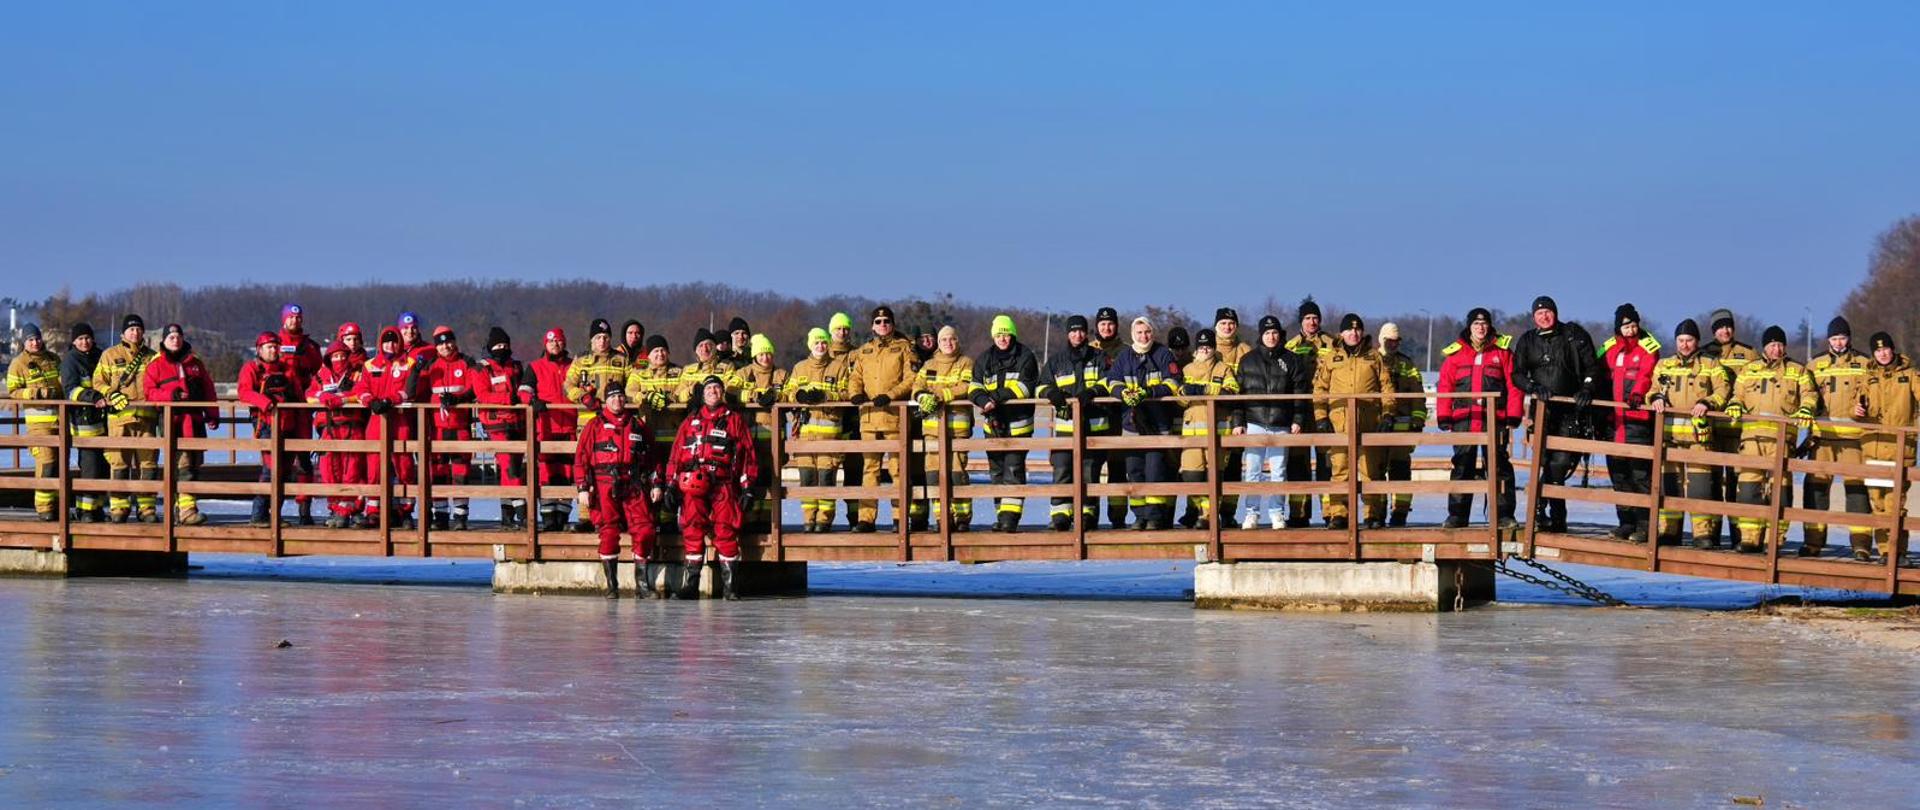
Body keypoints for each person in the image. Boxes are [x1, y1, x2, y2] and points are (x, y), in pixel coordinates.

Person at [1511, 295, 1601, 533]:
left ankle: (1546, 511)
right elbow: (1516, 374)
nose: (1544, 316)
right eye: (1539, 313)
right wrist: (1532, 387)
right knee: (1545, 463)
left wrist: (1587, 388)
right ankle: (1551, 516)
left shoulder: (1573, 335)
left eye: (1548, 312)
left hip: (1571, 412)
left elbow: (1593, 366)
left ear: (1556, 313)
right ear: (1534, 317)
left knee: (1559, 463)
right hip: (1543, 412)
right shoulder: (1527, 340)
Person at [665, 375, 758, 600]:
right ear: (703, 393)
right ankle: (692, 585)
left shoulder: (734, 420)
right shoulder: (691, 421)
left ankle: (730, 587)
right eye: (709, 388)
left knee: (726, 529)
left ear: (722, 392)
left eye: (717, 388)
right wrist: (670, 485)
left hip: (723, 484)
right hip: (693, 485)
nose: (713, 391)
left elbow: (747, 455)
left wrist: (747, 487)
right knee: (692, 528)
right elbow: (676, 455)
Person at [1725, 326, 1814, 553]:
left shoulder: (1797, 371)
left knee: (1780, 491)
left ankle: (1774, 540)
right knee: (1748, 489)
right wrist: (1735, 404)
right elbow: (1737, 394)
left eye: (1780, 344)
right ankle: (1749, 538)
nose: (1777, 349)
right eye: (1772, 344)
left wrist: (1806, 408)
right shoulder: (1749, 370)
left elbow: (1809, 394)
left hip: (1782, 441)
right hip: (1752, 440)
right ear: (1764, 347)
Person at [1435, 308, 1524, 530]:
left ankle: (1504, 515)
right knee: (1462, 466)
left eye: (1484, 324)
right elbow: (1445, 386)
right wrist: (1444, 414)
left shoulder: (1502, 353)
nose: (1480, 328)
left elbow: (1514, 386)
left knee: (1499, 466)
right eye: (1476, 324)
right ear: (1469, 327)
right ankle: (1457, 515)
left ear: (1490, 326)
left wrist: (1514, 414)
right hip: (1464, 419)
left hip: (1495, 419)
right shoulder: (1455, 355)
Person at [572, 386, 661, 599]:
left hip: (633, 484)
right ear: (606, 401)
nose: (617, 400)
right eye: (612, 397)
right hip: (604, 484)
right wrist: (583, 487)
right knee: (608, 532)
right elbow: (581, 458)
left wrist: (657, 483)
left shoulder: (637, 425)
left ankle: (642, 585)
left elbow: (654, 458)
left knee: (645, 530)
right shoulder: (594, 425)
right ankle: (612, 586)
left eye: (620, 396)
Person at [1647, 319, 1729, 547]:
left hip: (1698, 438)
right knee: (1669, 486)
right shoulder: (1664, 365)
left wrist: (1708, 402)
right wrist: (1655, 398)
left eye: (1689, 340)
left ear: (1697, 341)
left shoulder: (1711, 364)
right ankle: (1669, 531)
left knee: (1699, 487)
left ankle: (1702, 534)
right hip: (1669, 437)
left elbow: (1723, 391)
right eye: (1681, 340)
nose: (1684, 345)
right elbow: (1652, 389)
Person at [1313, 313, 1396, 531]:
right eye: (1349, 330)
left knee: (1371, 471)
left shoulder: (1373, 356)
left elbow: (1387, 387)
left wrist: (1388, 413)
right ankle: (1338, 515)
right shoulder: (1331, 357)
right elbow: (1320, 390)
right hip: (1339, 422)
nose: (1354, 333)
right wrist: (1321, 417)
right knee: (1340, 470)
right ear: (1341, 333)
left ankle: (1372, 515)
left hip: (1369, 422)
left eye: (1358, 329)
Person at [1802, 316, 1874, 558]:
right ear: (1828, 339)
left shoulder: (1865, 363)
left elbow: (1875, 397)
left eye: (1842, 338)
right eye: (1834, 338)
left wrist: (1867, 410)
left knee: (1857, 492)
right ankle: (1813, 543)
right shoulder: (1815, 365)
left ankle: (1861, 545)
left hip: (1855, 440)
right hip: (1822, 439)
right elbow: (1805, 395)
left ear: (1849, 338)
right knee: (1815, 492)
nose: (1839, 343)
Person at [846, 306, 918, 532]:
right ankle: (866, 518)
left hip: (894, 416)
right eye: (878, 321)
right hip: (868, 418)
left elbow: (912, 378)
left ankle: (899, 517)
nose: (882, 324)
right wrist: (855, 393)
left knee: (897, 469)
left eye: (886, 320)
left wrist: (891, 395)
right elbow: (855, 377)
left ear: (893, 324)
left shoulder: (904, 348)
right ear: (872, 325)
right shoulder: (864, 351)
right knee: (870, 469)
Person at [1106, 317, 1181, 530]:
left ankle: (1155, 516)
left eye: (1147, 332)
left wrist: (1149, 392)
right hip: (1131, 425)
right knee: (1134, 470)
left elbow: (1174, 382)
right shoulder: (1125, 356)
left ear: (1153, 333)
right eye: (1139, 333)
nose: (1144, 336)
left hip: (1157, 424)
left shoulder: (1163, 354)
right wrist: (1123, 393)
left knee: (1155, 470)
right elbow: (1111, 380)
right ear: (1133, 335)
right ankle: (1139, 516)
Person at [1236, 315, 1309, 530]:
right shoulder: (1248, 360)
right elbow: (1238, 394)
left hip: (1281, 422)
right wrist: (1239, 421)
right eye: (1267, 333)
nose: (1271, 336)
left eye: (1275, 332)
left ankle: (1277, 512)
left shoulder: (1291, 360)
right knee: (1253, 470)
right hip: (1254, 421)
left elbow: (1300, 393)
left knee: (1278, 471)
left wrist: (1297, 419)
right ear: (1261, 335)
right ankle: (1251, 513)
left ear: (1280, 335)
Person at [1038, 315, 1110, 531]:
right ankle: (1061, 514)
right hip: (1065, 428)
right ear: (1068, 333)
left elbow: (1110, 380)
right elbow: (1041, 386)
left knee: (1090, 473)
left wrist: (1093, 392)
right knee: (1062, 470)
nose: (1077, 335)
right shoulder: (1057, 360)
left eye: (1081, 331)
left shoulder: (1099, 357)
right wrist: (1054, 395)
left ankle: (1087, 514)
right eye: (1073, 331)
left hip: (1094, 427)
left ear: (1086, 333)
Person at [970, 314, 1039, 533]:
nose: (1002, 338)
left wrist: (995, 398)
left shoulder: (1025, 356)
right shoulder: (984, 359)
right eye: (999, 334)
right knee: (996, 472)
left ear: (1013, 335)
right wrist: (983, 400)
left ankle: (1010, 519)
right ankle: (1001, 514)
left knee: (1013, 470)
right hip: (993, 426)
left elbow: (1025, 387)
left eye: (1006, 334)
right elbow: (974, 386)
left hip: (1018, 425)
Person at [141, 324, 216, 526]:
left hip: (195, 421)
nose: (175, 340)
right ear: (164, 341)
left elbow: (208, 390)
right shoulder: (156, 365)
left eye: (178, 336)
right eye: (171, 337)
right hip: (173, 422)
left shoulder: (195, 363)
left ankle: (180, 506)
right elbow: (149, 393)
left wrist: (212, 414)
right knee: (183, 465)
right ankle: (186, 511)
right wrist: (170, 396)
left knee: (194, 463)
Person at [1599, 304, 1660, 543]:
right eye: (1626, 326)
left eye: (1634, 325)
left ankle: (1645, 525)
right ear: (1618, 328)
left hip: (1637, 422)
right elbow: (1598, 371)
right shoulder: (1609, 348)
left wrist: (1637, 393)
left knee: (1640, 476)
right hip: (1613, 423)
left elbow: (1647, 374)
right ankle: (1626, 522)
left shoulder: (1648, 347)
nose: (1631, 329)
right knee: (1619, 476)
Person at [408, 326, 479, 530]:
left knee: (461, 472)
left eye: (449, 342)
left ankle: (460, 517)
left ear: (454, 342)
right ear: (436, 346)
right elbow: (412, 391)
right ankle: (440, 515)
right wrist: (414, 369)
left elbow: (472, 388)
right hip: (436, 428)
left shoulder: (466, 362)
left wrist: (457, 398)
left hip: (460, 427)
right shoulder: (431, 365)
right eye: (441, 343)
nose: (446, 346)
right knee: (437, 471)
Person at [1859, 332, 1920, 561]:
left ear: (1893, 349)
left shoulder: (1910, 375)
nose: (1882, 353)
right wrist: (1857, 412)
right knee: (1877, 502)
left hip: (1899, 449)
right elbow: (1856, 410)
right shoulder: (1868, 377)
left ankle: (1898, 551)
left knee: (1895, 504)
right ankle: (1885, 551)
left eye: (1886, 349)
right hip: (1873, 448)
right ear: (1873, 353)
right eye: (1877, 350)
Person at [564, 318, 629, 533]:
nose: (602, 341)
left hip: (614, 423)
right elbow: (568, 385)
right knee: (587, 468)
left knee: (612, 469)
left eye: (606, 337)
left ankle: (615, 515)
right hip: (587, 422)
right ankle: (585, 516)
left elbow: (633, 383)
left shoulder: (621, 360)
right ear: (591, 340)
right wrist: (582, 397)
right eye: (598, 338)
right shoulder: (581, 360)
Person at [93, 314, 159, 523]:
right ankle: (119, 509)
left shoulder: (153, 356)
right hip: (119, 421)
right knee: (119, 465)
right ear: (122, 333)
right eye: (131, 329)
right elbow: (97, 381)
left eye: (138, 329)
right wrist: (110, 394)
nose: (135, 332)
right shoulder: (110, 355)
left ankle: (146, 509)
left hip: (146, 420)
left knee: (148, 465)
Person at [1704, 308, 1760, 544]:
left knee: (1738, 484)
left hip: (1739, 430)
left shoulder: (1748, 353)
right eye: (1719, 327)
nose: (1724, 331)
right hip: (1714, 428)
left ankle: (1739, 535)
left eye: (1728, 326)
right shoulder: (1705, 353)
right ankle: (1711, 533)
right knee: (1712, 481)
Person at [1176, 328, 1241, 530]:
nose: (1205, 349)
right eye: (1201, 346)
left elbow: (1232, 392)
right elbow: (1178, 398)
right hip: (1191, 433)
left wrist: (1205, 390)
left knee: (1215, 476)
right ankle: (1206, 511)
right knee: (1190, 475)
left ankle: (1208, 517)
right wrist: (1185, 392)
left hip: (1217, 434)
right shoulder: (1186, 370)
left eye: (1208, 346)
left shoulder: (1223, 369)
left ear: (1214, 348)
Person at [786, 328, 850, 532]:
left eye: (823, 342)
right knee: (806, 479)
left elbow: (847, 392)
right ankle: (808, 520)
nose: (821, 346)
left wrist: (825, 396)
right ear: (810, 345)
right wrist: (800, 396)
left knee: (826, 480)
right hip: (805, 437)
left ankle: (824, 520)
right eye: (817, 343)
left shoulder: (838, 367)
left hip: (830, 436)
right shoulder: (799, 368)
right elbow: (788, 393)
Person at [359, 327, 424, 528]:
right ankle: (373, 511)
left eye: (394, 341)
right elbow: (362, 389)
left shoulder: (408, 364)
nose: (391, 345)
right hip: (376, 421)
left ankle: (404, 511)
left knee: (404, 467)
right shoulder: (369, 365)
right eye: (387, 342)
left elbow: (410, 391)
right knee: (374, 469)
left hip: (400, 421)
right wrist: (371, 401)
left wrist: (391, 399)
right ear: (380, 343)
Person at [914, 325, 976, 531]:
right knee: (934, 474)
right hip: (932, 429)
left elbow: (965, 387)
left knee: (957, 474)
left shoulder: (966, 362)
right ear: (938, 343)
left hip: (957, 429)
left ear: (957, 341)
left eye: (952, 339)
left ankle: (962, 518)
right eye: (943, 340)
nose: (948, 343)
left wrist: (940, 395)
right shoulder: (929, 364)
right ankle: (942, 518)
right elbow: (918, 385)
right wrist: (922, 396)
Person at [474, 326, 536, 531]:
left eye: (505, 345)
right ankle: (522, 512)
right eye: (498, 346)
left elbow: (523, 388)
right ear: (491, 348)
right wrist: (506, 399)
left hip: (517, 423)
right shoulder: (482, 368)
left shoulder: (515, 367)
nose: (502, 349)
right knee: (510, 466)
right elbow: (483, 395)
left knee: (512, 468)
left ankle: (507, 514)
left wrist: (528, 399)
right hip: (496, 425)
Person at [238, 332, 302, 527]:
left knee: (284, 472)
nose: (273, 350)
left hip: (288, 425)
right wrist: (264, 402)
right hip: (266, 424)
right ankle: (258, 515)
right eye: (269, 347)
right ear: (259, 350)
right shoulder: (252, 368)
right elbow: (244, 391)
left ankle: (275, 514)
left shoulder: (287, 370)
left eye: (275, 346)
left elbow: (298, 394)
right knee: (270, 470)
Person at [1284, 298, 1337, 527]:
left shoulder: (1332, 343)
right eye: (1307, 318)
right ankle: (1299, 512)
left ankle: (1330, 511)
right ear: (1301, 322)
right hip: (1300, 411)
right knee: (1297, 463)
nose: (1312, 322)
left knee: (1327, 462)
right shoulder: (1291, 346)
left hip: (1324, 409)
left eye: (1315, 318)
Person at [308, 340, 371, 528]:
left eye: (343, 356)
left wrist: (341, 399)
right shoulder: (322, 375)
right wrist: (323, 397)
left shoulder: (357, 374)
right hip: (329, 428)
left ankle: (350, 510)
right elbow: (309, 394)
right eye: (335, 356)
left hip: (352, 427)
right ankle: (335, 509)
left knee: (353, 470)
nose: (339, 359)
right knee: (329, 471)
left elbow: (361, 392)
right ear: (329, 358)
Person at [625, 334, 682, 531]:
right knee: (647, 478)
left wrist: (671, 398)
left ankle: (668, 520)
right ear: (648, 356)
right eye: (655, 351)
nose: (660, 354)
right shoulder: (638, 373)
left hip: (672, 436)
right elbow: (629, 392)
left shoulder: (678, 372)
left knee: (671, 479)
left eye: (663, 350)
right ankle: (648, 519)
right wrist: (646, 396)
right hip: (647, 436)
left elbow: (685, 390)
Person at [6, 325, 63, 521]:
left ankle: (56, 505)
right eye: (30, 340)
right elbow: (13, 391)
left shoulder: (53, 359)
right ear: (24, 342)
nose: (35, 342)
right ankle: (43, 507)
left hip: (60, 421)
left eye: (37, 338)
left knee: (57, 466)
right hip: (38, 424)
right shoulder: (18, 363)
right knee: (46, 463)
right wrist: (34, 393)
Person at [276, 304, 323, 525]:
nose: (295, 321)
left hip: (303, 411)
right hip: (281, 412)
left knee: (304, 461)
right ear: (284, 320)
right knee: (280, 461)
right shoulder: (274, 344)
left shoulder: (310, 347)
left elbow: (321, 375)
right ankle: (274, 510)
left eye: (298, 317)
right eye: (291, 317)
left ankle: (305, 510)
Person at [735, 333, 786, 531]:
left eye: (769, 354)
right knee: (748, 479)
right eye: (762, 354)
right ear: (755, 356)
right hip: (749, 437)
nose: (766, 358)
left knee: (769, 480)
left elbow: (791, 391)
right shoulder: (743, 373)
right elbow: (731, 391)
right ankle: (748, 519)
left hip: (772, 438)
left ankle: (767, 521)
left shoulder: (781, 374)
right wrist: (753, 395)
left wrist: (775, 395)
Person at [528, 328, 578, 531]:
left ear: (564, 343)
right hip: (546, 427)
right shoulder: (535, 366)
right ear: (545, 344)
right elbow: (524, 390)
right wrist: (533, 400)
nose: (555, 344)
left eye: (558, 341)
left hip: (569, 426)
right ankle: (548, 517)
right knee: (547, 473)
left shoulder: (574, 366)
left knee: (567, 473)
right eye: (551, 342)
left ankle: (563, 516)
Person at [1378, 323, 1427, 527]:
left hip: (1402, 429)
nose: (1393, 344)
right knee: (1376, 472)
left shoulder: (1407, 365)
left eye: (1396, 341)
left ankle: (1400, 513)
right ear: (1381, 340)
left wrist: (1418, 420)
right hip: (1378, 428)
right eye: (1389, 340)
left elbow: (1418, 395)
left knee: (1401, 473)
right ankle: (1376, 514)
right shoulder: (1372, 361)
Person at [60, 322, 108, 522]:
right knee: (90, 466)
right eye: (80, 339)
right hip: (84, 420)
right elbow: (70, 389)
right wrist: (93, 397)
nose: (84, 342)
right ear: (74, 341)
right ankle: (84, 510)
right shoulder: (70, 361)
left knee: (104, 466)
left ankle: (97, 508)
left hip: (104, 420)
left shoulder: (100, 356)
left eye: (87, 338)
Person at [1087, 306, 1129, 527]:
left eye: (1110, 323)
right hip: (1093, 418)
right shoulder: (1089, 350)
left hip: (1118, 418)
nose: (1106, 327)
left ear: (1116, 326)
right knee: (1091, 469)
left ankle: (1118, 516)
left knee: (1118, 469)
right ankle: (1089, 516)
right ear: (1096, 327)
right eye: (1102, 324)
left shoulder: (1126, 351)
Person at [1211, 308, 1250, 524]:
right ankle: (1205, 511)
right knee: (1210, 466)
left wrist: (1240, 419)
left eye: (1231, 323)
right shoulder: (1207, 348)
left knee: (1233, 465)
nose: (1227, 327)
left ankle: (1228, 512)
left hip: (1235, 417)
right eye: (1223, 323)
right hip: (1209, 418)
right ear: (1216, 326)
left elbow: (1246, 389)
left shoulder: (1245, 350)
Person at [828, 311, 862, 529]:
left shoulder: (857, 355)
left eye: (845, 328)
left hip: (853, 420)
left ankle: (855, 517)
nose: (842, 332)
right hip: (828, 422)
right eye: (838, 328)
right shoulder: (821, 352)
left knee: (855, 471)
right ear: (831, 331)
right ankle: (823, 519)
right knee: (826, 471)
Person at [675, 328, 740, 404]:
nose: (705, 349)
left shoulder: (727, 366)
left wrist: (711, 395)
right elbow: (678, 396)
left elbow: (730, 391)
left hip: (719, 412)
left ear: (715, 347)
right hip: (695, 413)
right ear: (696, 351)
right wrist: (691, 391)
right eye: (700, 346)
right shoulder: (688, 370)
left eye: (708, 344)